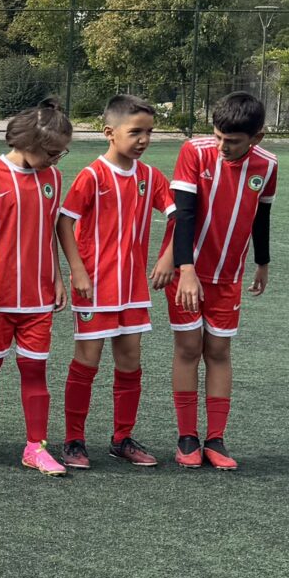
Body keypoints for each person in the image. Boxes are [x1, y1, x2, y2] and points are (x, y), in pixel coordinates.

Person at [0, 103, 75, 476]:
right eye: (51, 152)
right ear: (26, 142)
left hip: (37, 298)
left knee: (35, 371)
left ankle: (36, 447)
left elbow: (49, 231)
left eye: (60, 153)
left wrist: (57, 276)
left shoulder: (53, 178)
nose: (55, 159)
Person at [56, 94, 171, 470]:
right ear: (109, 132)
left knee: (130, 361)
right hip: (94, 286)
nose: (144, 139)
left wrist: (168, 256)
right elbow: (65, 222)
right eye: (135, 132)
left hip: (133, 289)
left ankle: (122, 439)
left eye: (149, 132)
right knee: (87, 361)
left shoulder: (151, 177)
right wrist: (77, 269)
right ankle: (73, 440)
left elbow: (179, 214)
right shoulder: (92, 175)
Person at [166, 90, 277, 470]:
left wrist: (262, 262)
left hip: (229, 276)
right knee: (188, 349)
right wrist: (185, 270)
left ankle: (215, 439)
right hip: (188, 272)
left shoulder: (268, 165)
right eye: (217, 136)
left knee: (218, 351)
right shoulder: (194, 152)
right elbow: (183, 214)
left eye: (232, 141)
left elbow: (262, 215)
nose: (222, 146)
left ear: (257, 138)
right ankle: (187, 437)